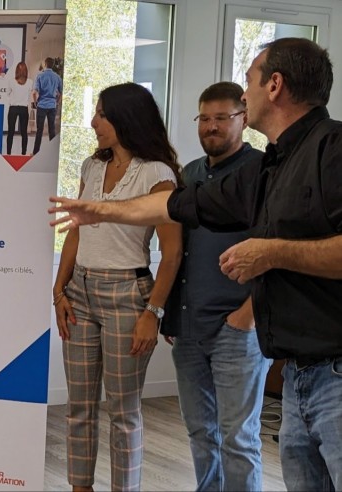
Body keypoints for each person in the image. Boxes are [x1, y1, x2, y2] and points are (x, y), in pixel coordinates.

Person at [49, 38, 342, 491]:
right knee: (208, 435)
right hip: (296, 369)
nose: (243, 93)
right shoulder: (269, 166)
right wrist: (102, 210)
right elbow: (182, 205)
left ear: (275, 85)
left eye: (249, 81)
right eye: (204, 117)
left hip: (332, 372)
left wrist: (270, 254)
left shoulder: (333, 148)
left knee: (237, 439)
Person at [53, 82, 182, 492]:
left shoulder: (156, 174)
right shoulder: (91, 167)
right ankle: (80, 487)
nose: (93, 122)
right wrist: (59, 291)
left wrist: (153, 313)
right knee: (78, 407)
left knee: (123, 411)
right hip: (80, 292)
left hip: (128, 295)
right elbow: (76, 231)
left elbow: (172, 252)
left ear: (126, 119)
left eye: (102, 115)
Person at [164, 81, 270, 491]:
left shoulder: (262, 172)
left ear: (243, 118)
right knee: (199, 432)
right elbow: (179, 251)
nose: (211, 126)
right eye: (204, 118)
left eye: (222, 118)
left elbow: (276, 248)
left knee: (238, 439)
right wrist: (172, 312)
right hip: (188, 329)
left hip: (237, 330)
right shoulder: (189, 174)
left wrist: (248, 315)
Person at [32, 57, 62, 155]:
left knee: (39, 130)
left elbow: (34, 92)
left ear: (45, 64)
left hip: (41, 105)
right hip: (52, 105)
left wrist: (35, 102)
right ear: (53, 65)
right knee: (51, 129)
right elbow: (61, 92)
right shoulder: (57, 77)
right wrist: (57, 102)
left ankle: (35, 152)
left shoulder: (40, 76)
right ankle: (52, 153)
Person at [6, 61, 33, 155]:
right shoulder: (30, 82)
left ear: (16, 70)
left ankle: (8, 153)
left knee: (11, 132)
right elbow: (29, 94)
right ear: (26, 71)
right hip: (24, 109)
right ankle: (23, 153)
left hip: (13, 108)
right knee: (24, 132)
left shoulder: (11, 81)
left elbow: (7, 93)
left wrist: (12, 99)